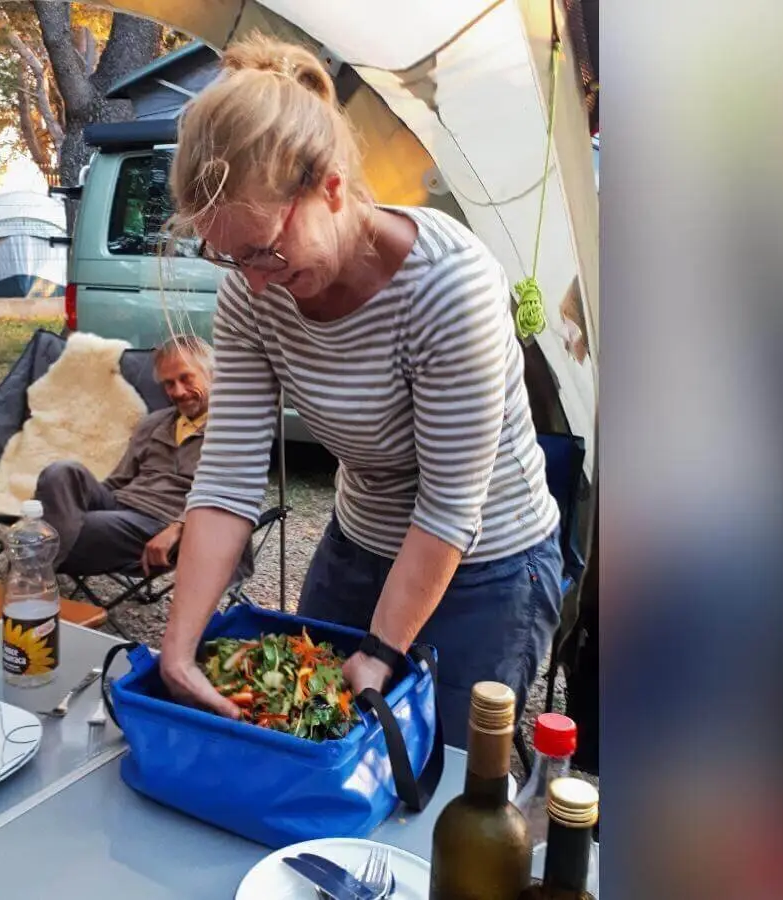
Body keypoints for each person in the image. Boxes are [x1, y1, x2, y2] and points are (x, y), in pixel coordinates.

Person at [157, 34, 564, 748]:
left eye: (264, 251)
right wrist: (179, 648)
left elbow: (449, 510)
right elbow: (227, 479)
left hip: (486, 569)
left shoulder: (448, 287)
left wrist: (381, 650)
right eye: (230, 257)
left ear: (332, 188)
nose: (255, 283)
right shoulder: (252, 292)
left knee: (435, 769)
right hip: (357, 543)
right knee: (307, 740)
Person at [35, 335, 212, 577]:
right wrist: (71, 499)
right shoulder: (154, 423)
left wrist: (178, 527)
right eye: (169, 384)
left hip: (162, 520)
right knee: (61, 472)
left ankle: (32, 573)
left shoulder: (231, 431)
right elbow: (118, 480)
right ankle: (38, 560)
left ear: (212, 374)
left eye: (186, 378)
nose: (178, 392)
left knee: (76, 527)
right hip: (121, 505)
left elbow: (226, 498)